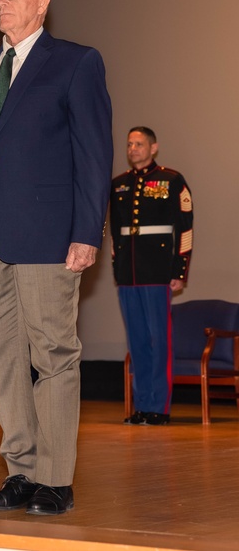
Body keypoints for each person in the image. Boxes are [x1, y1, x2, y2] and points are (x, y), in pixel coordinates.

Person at [0, 0, 113, 516]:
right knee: (1, 361)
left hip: (48, 234)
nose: (2, 1)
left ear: (42, 2)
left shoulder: (75, 62)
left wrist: (87, 232)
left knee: (54, 354)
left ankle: (54, 478)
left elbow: (93, 156)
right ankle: (20, 469)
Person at [111, 127, 193, 426]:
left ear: (153, 147)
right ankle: (142, 406)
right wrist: (116, 268)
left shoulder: (171, 180)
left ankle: (159, 407)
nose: (133, 148)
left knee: (160, 342)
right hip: (128, 274)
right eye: (129, 143)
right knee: (137, 343)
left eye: (139, 144)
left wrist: (179, 270)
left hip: (158, 271)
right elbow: (116, 234)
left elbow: (184, 229)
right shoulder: (119, 184)